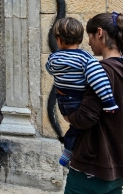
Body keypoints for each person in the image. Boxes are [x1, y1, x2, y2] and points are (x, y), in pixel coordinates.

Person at [60, 11, 123, 194]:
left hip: (91, 169)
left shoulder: (102, 71)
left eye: (90, 36)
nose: (88, 42)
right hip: (116, 172)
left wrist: (67, 112)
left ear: (100, 34)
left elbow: (85, 118)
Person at [46, 17, 118, 166]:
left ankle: (68, 151)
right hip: (78, 100)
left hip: (63, 103)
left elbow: (49, 69)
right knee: (80, 129)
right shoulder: (85, 58)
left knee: (75, 127)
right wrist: (109, 102)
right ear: (80, 39)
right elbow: (99, 81)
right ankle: (70, 150)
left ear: (58, 41)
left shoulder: (53, 58)